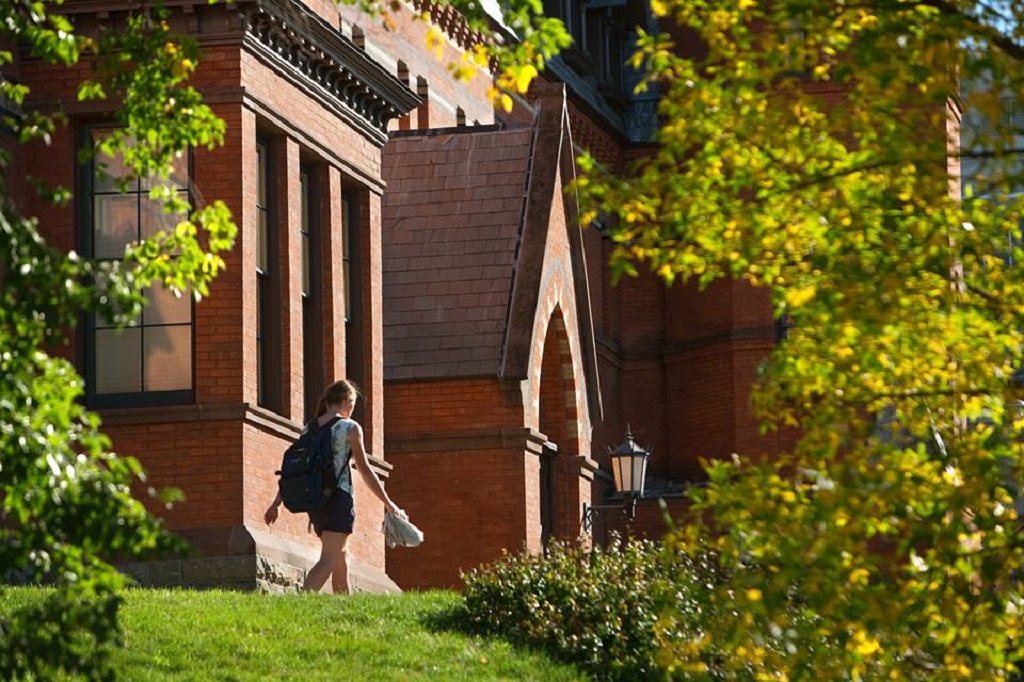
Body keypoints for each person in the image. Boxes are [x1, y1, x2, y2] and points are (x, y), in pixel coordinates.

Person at [264, 379, 402, 594]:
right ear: (347, 401)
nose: (352, 410)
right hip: (338, 498)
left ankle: (343, 610)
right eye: (353, 404)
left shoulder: (308, 429)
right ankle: (302, 605)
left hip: (317, 502)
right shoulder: (350, 428)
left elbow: (297, 471)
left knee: (341, 556)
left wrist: (276, 504)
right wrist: (388, 502)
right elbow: (364, 470)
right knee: (328, 559)